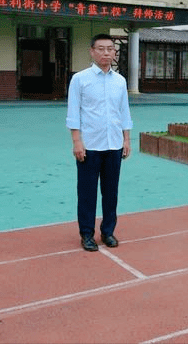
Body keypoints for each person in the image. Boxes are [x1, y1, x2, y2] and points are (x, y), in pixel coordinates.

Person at [66, 34, 133, 252]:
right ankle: (87, 234)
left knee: (111, 192)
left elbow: (124, 112)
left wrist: (127, 139)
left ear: (115, 53)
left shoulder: (120, 81)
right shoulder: (80, 79)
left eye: (110, 49)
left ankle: (108, 231)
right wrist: (77, 141)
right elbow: (73, 112)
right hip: (90, 146)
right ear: (92, 51)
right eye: (101, 49)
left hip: (114, 145)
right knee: (87, 193)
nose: (106, 53)